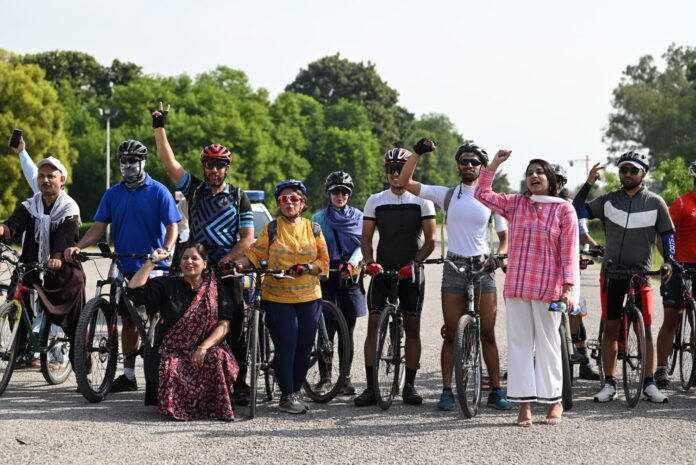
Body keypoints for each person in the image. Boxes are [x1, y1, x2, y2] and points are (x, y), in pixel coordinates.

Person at [152, 102, 254, 404]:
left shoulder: (239, 197)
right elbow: (168, 163)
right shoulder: (195, 189)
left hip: (225, 269)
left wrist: (225, 261)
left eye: (220, 164)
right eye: (209, 164)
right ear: (203, 167)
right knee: (178, 321)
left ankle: (239, 381)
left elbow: (247, 239)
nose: (214, 170)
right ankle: (178, 378)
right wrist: (160, 126)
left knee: (234, 324)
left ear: (227, 167)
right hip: (193, 268)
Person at [398, 139, 511, 411]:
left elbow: (504, 238)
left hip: (482, 267)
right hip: (454, 267)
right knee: (451, 334)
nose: (469, 165)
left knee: (488, 334)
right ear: (458, 166)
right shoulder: (447, 195)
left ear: (482, 167)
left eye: (474, 162)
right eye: (464, 161)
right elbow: (405, 182)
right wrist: (418, 153)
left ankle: (496, 391)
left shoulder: (492, 198)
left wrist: (497, 257)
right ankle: (447, 390)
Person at [64, 139, 180, 394]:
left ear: (143, 162)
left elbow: (173, 226)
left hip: (152, 264)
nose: (127, 165)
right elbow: (97, 228)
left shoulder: (159, 191)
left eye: (132, 160)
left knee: (156, 321)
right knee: (127, 320)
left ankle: (161, 371)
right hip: (123, 262)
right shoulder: (112, 193)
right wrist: (79, 246)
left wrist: (166, 249)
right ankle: (128, 375)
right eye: (123, 161)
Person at [475, 151, 578, 426]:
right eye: (530, 172)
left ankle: (554, 402)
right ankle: (524, 405)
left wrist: (568, 288)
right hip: (518, 286)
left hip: (548, 289)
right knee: (520, 346)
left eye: (540, 172)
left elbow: (568, 252)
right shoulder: (516, 204)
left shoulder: (562, 208)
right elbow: (482, 193)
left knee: (548, 345)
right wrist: (494, 164)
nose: (534, 176)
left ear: (551, 179)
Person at [572, 152, 674, 404]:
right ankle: (609, 383)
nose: (626, 174)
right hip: (612, 274)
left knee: (645, 331)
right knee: (611, 329)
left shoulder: (656, 202)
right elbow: (575, 211)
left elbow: (667, 236)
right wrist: (588, 184)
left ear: (643, 174)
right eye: (623, 170)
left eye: (632, 170)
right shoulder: (608, 200)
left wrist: (670, 262)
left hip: (642, 275)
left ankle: (649, 383)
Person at [234, 180, 330, 414]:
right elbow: (256, 256)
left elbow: (324, 261)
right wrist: (236, 264)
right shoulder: (272, 228)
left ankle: (294, 391)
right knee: (287, 344)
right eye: (283, 199)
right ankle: (287, 396)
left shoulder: (313, 229)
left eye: (294, 199)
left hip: (309, 295)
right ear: (278, 204)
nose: (288, 202)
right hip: (277, 297)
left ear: (302, 203)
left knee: (305, 347)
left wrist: (307, 268)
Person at [354, 148, 436, 407]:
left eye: (399, 169)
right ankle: (370, 387)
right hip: (382, 269)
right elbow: (366, 240)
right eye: (389, 169)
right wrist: (369, 263)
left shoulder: (423, 201)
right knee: (373, 325)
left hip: (411, 271)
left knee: (412, 328)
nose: (393, 174)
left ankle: (409, 386)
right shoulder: (375, 200)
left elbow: (431, 240)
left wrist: (415, 264)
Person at [126, 243, 239, 421]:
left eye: (195, 258)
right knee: (171, 368)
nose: (189, 262)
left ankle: (213, 405)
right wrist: (152, 261)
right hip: (172, 349)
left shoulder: (216, 289)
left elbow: (224, 324)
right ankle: (180, 409)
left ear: (205, 263)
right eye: (185, 258)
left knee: (218, 357)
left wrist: (203, 348)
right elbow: (135, 291)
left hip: (206, 347)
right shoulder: (168, 285)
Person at [0, 156, 85, 369]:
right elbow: (14, 225)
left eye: (51, 176)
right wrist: (3, 229)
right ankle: (22, 351)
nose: (45, 180)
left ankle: (78, 360)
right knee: (15, 297)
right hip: (31, 265)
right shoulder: (30, 206)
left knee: (72, 315)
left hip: (62, 269)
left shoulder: (69, 208)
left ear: (62, 180)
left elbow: (65, 238)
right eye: (41, 176)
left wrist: (56, 259)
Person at [311, 171, 366, 396]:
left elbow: (364, 245)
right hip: (326, 276)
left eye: (344, 192)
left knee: (347, 332)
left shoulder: (360, 217)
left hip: (350, 277)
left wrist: (351, 264)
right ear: (329, 193)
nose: (340, 195)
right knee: (327, 331)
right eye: (336, 191)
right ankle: (325, 378)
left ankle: (345, 379)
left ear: (349, 194)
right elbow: (313, 247)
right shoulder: (318, 219)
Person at [551, 164, 600, 381]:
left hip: (568, 264)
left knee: (576, 308)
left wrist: (592, 249)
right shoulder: (531, 203)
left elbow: (582, 235)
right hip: (543, 265)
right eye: (552, 179)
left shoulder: (570, 206)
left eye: (559, 181)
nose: (555, 184)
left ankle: (583, 359)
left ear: (563, 184)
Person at [655, 160, 696, 388]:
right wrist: (669, 262)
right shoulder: (682, 204)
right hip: (679, 265)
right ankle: (661, 367)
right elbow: (661, 235)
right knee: (672, 317)